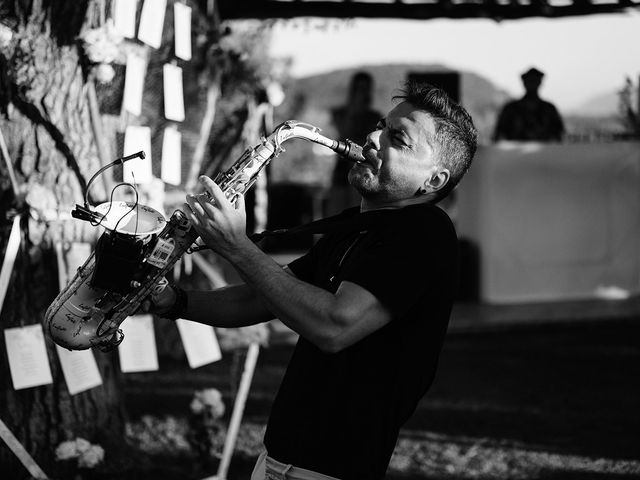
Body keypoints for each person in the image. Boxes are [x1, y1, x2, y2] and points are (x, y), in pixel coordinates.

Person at [149, 81, 477, 480]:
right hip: (278, 456)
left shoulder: (423, 232)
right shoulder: (358, 227)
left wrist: (237, 247)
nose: (372, 138)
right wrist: (174, 301)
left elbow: (334, 325)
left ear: (434, 181)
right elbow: (260, 299)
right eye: (379, 126)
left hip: (330, 469)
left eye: (397, 139)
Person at [325, 72, 382, 216]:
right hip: (342, 169)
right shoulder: (340, 114)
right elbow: (344, 134)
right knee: (335, 213)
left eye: (365, 88)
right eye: (358, 88)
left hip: (362, 168)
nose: (361, 92)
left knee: (357, 212)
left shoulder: (374, 117)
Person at [493, 67, 565, 142]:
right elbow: (498, 135)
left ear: (539, 83)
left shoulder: (549, 109)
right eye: (530, 81)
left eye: (535, 80)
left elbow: (559, 135)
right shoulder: (511, 108)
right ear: (524, 83)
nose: (532, 84)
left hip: (544, 152)